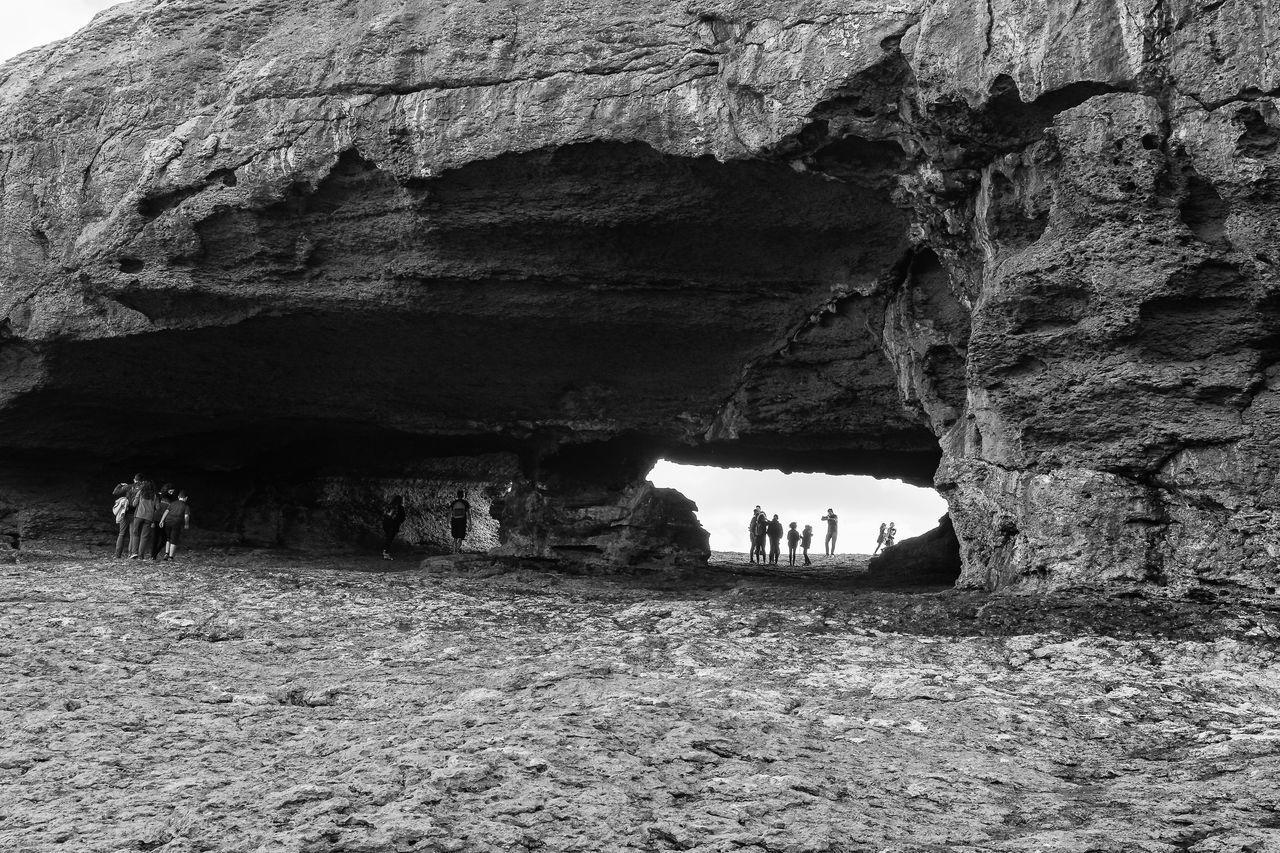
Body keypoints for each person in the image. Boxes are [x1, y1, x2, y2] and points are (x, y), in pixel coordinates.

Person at [111, 474, 141, 558]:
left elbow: (115, 492)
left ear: (134, 479)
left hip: (125, 512)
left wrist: (120, 485)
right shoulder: (142, 489)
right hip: (135, 513)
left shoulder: (129, 486)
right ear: (141, 481)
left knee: (122, 534)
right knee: (133, 535)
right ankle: (130, 554)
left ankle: (117, 555)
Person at [128, 480, 160, 559]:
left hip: (138, 516)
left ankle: (134, 553)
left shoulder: (140, 493)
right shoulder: (154, 496)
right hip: (148, 518)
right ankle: (141, 555)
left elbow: (134, 504)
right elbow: (158, 508)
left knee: (135, 534)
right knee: (144, 537)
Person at [158, 491, 191, 561]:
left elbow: (166, 511)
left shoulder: (172, 503)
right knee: (174, 539)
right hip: (176, 523)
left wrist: (161, 520)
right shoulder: (186, 506)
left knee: (168, 538)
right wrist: (186, 524)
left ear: (178, 497)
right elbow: (186, 516)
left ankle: (166, 553)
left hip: (167, 521)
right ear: (186, 498)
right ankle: (171, 557)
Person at [151, 483, 174, 560]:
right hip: (157, 519)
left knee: (164, 539)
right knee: (155, 538)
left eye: (173, 491)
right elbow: (154, 507)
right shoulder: (159, 496)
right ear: (166, 490)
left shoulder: (171, 499)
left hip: (165, 520)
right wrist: (152, 520)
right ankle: (153, 556)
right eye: (170, 491)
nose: (172, 493)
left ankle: (155, 553)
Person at [382, 495, 406, 560]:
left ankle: (385, 552)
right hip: (394, 525)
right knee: (389, 539)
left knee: (387, 538)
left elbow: (384, 514)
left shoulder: (388, 506)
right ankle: (386, 553)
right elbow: (402, 518)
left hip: (386, 523)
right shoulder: (400, 507)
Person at [448, 490, 472, 554]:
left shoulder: (453, 503)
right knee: (461, 537)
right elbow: (469, 514)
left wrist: (447, 522)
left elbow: (450, 513)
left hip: (454, 521)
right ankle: (457, 551)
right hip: (462, 522)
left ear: (457, 495)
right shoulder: (465, 503)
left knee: (455, 537)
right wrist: (470, 524)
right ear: (463, 495)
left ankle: (454, 551)